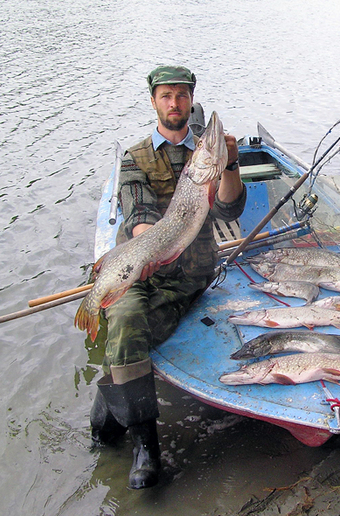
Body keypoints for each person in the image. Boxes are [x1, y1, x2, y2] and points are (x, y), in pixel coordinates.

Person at [89, 65, 246, 489]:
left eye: (181, 95)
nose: (174, 103)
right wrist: (151, 248)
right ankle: (147, 448)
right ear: (154, 101)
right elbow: (139, 217)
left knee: (128, 336)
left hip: (188, 277)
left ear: (190, 99)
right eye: (166, 96)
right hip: (141, 268)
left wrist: (229, 165)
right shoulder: (134, 157)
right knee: (124, 318)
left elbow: (230, 210)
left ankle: (111, 415)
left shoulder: (206, 158)